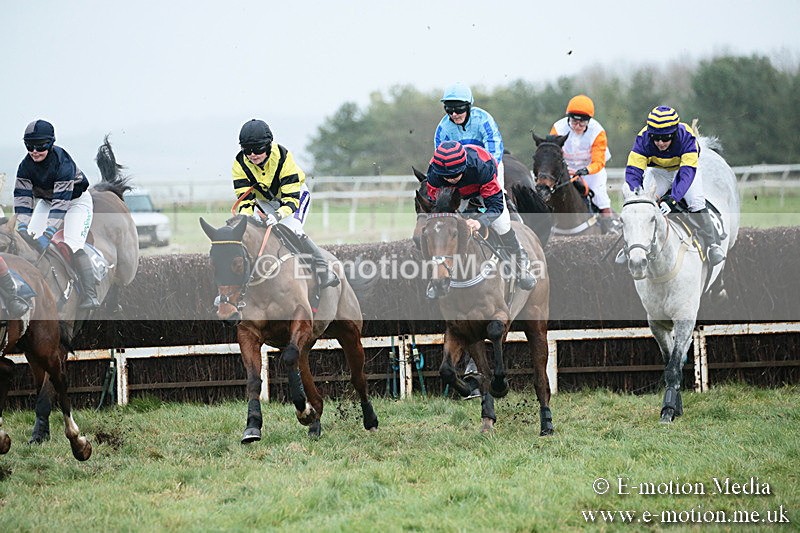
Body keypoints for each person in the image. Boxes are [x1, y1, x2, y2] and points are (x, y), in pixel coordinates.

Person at [232, 119, 338, 288]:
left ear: (268, 145)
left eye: (257, 149)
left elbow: (290, 200)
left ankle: (324, 271)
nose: (252, 154)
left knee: (291, 229)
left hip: (295, 197)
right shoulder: (239, 164)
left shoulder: (283, 157)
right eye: (247, 150)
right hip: (265, 201)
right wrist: (244, 219)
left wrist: (277, 215)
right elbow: (245, 201)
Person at [624, 106, 725, 265]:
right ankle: (630, 246)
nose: (660, 143)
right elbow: (633, 170)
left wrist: (673, 199)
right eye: (656, 138)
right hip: (659, 172)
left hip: (684, 170)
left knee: (696, 202)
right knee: (640, 203)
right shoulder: (643, 138)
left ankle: (713, 245)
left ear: (674, 134)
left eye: (665, 138)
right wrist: (637, 193)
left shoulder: (686, 136)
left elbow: (686, 174)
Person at [15, 119, 99, 309]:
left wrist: (49, 233)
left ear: (51, 143)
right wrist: (21, 223)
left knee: (72, 244)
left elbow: (61, 203)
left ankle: (90, 293)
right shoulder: (24, 166)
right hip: (47, 202)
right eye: (29, 146)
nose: (34, 151)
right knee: (28, 239)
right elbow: (22, 198)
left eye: (40, 146)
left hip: (75, 202)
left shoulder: (63, 163)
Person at [550, 94, 619, 234]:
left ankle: (610, 225)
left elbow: (598, 162)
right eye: (574, 122)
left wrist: (586, 170)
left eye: (582, 123)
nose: (578, 126)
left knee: (600, 194)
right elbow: (552, 153)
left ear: (589, 121)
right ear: (569, 118)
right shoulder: (558, 128)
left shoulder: (598, 132)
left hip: (591, 170)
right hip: (567, 168)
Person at [435, 83, 506, 189]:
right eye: (449, 109)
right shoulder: (443, 128)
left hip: (486, 165)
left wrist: (485, 172)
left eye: (459, 109)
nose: (454, 114)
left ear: (468, 106)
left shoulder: (483, 119)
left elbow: (494, 150)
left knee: (496, 199)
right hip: (458, 172)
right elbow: (441, 158)